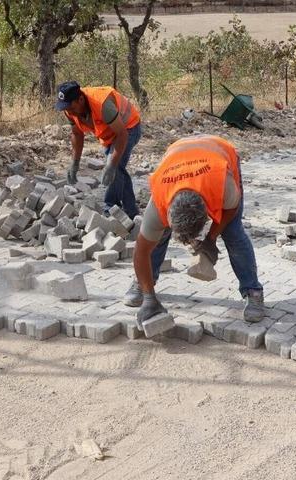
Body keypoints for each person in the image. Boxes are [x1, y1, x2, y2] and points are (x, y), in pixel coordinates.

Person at [125, 135, 265, 328]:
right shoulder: (159, 203)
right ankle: (144, 286)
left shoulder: (223, 184)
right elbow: (141, 251)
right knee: (159, 234)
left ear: (206, 212)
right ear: (168, 212)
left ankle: (253, 291)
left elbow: (230, 210)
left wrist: (211, 238)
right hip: (178, 154)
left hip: (219, 153)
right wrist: (150, 299)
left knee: (232, 231)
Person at [55, 81, 142, 218]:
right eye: (65, 107)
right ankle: (131, 211)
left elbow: (122, 134)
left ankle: (110, 209)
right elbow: (77, 134)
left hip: (129, 127)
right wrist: (75, 163)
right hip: (110, 134)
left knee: (115, 166)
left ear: (80, 99)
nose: (68, 111)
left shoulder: (102, 105)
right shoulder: (69, 109)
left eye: (70, 107)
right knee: (117, 169)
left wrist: (111, 165)